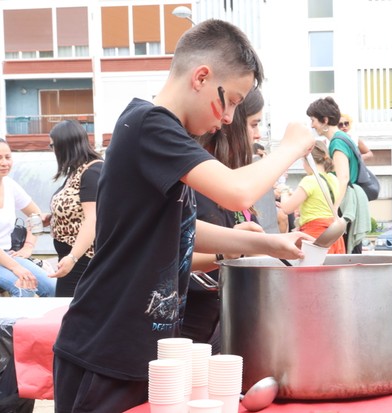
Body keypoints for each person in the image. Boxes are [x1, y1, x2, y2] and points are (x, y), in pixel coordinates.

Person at [53, 20, 315, 412]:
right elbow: (236, 190)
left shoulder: (158, 133)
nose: (228, 118)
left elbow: (184, 229)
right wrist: (291, 148)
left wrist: (266, 242)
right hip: (107, 348)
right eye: (231, 100)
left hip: (145, 352)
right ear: (202, 77)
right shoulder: (149, 124)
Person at [182, 87, 267, 352]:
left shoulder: (226, 175)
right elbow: (174, 256)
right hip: (192, 329)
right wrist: (226, 253)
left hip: (223, 317)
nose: (258, 134)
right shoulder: (196, 178)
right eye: (253, 124)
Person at [307, 97, 371, 254]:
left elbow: (343, 178)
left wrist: (333, 209)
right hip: (354, 198)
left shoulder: (337, 141)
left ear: (325, 120)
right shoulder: (344, 138)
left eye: (313, 120)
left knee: (349, 256)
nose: (312, 125)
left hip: (347, 202)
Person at [47, 120, 103, 297]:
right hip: (73, 258)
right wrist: (53, 217)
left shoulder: (92, 171)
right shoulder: (76, 171)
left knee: (69, 313)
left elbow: (92, 218)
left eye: (53, 145)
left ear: (64, 145)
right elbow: (77, 209)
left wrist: (73, 257)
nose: (53, 150)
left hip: (83, 258)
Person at [0, 139, 56, 298]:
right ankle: (10, 324)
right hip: (6, 260)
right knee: (24, 289)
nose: (4, 163)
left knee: (53, 287)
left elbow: (35, 214)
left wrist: (28, 247)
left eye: (8, 157)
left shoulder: (10, 185)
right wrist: (16, 268)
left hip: (7, 255)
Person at [279, 140, 347, 254]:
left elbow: (286, 208)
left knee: (313, 271)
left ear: (307, 160)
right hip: (333, 235)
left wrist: (284, 191)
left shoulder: (310, 180)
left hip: (315, 236)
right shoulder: (333, 179)